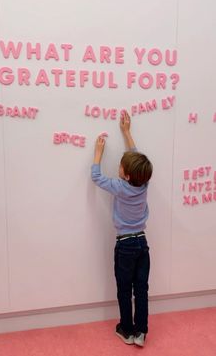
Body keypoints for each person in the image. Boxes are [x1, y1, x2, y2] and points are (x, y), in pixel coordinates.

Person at [91, 111, 153, 347]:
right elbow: (136, 157)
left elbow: (96, 177)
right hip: (142, 244)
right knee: (142, 290)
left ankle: (126, 330)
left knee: (124, 289)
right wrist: (127, 132)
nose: (119, 166)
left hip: (125, 244)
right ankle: (141, 333)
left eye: (120, 165)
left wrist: (98, 153)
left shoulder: (119, 186)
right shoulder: (143, 183)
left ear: (126, 175)